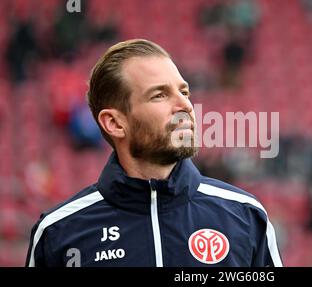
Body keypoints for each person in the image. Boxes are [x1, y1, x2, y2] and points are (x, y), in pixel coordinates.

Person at [25, 39, 283, 267]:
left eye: (184, 92)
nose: (185, 106)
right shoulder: (59, 233)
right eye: (160, 95)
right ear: (114, 123)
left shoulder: (245, 217)